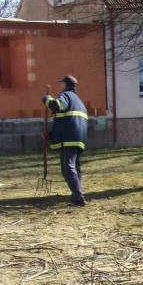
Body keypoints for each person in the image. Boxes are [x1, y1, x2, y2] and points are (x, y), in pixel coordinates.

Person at [42, 75, 88, 207]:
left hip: (68, 139)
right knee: (75, 167)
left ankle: (78, 197)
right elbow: (67, 120)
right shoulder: (78, 101)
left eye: (61, 83)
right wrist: (51, 135)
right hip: (78, 138)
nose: (60, 86)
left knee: (67, 167)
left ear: (65, 84)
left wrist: (46, 99)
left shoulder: (66, 95)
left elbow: (57, 106)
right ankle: (78, 195)